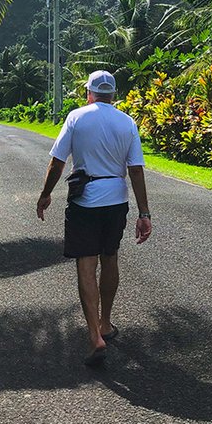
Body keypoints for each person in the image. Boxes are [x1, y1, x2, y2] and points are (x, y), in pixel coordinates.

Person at [36, 70, 152, 366]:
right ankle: (105, 323)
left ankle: (94, 336)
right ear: (113, 95)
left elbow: (58, 162)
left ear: (89, 92)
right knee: (109, 257)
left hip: (85, 200)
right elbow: (136, 169)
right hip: (116, 198)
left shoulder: (76, 117)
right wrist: (144, 213)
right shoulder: (127, 122)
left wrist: (46, 194)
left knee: (86, 265)